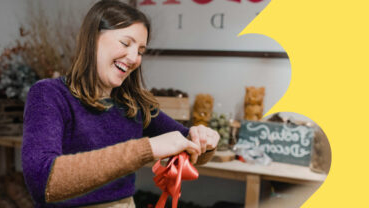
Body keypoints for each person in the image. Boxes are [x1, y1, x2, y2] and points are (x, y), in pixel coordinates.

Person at [21, 1, 220, 207]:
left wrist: (204, 140)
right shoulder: (49, 94)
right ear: (93, 39)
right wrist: (147, 149)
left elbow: (188, 145)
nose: (134, 58)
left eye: (141, 51)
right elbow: (41, 181)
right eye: (125, 43)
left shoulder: (133, 104)